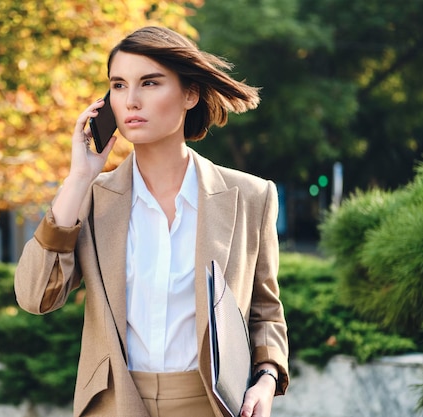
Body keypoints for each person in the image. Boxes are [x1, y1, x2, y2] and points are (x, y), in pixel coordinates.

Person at [15, 26, 289, 417]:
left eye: (150, 82)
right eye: (119, 85)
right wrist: (78, 178)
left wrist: (265, 379)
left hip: (208, 405)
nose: (131, 101)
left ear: (190, 94)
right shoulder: (89, 200)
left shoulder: (251, 197)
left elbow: (265, 312)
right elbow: (35, 296)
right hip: (115, 404)